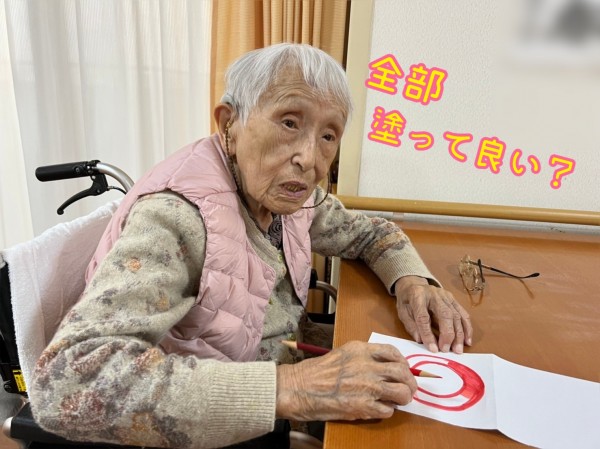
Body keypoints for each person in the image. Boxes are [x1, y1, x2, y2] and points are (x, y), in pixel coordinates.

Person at [29, 43, 472, 449]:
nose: (309, 159)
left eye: (328, 135)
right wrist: (296, 388)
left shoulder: (291, 194)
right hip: (216, 424)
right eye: (289, 123)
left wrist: (413, 281)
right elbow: (66, 383)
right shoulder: (176, 218)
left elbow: (369, 232)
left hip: (284, 362)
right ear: (230, 125)